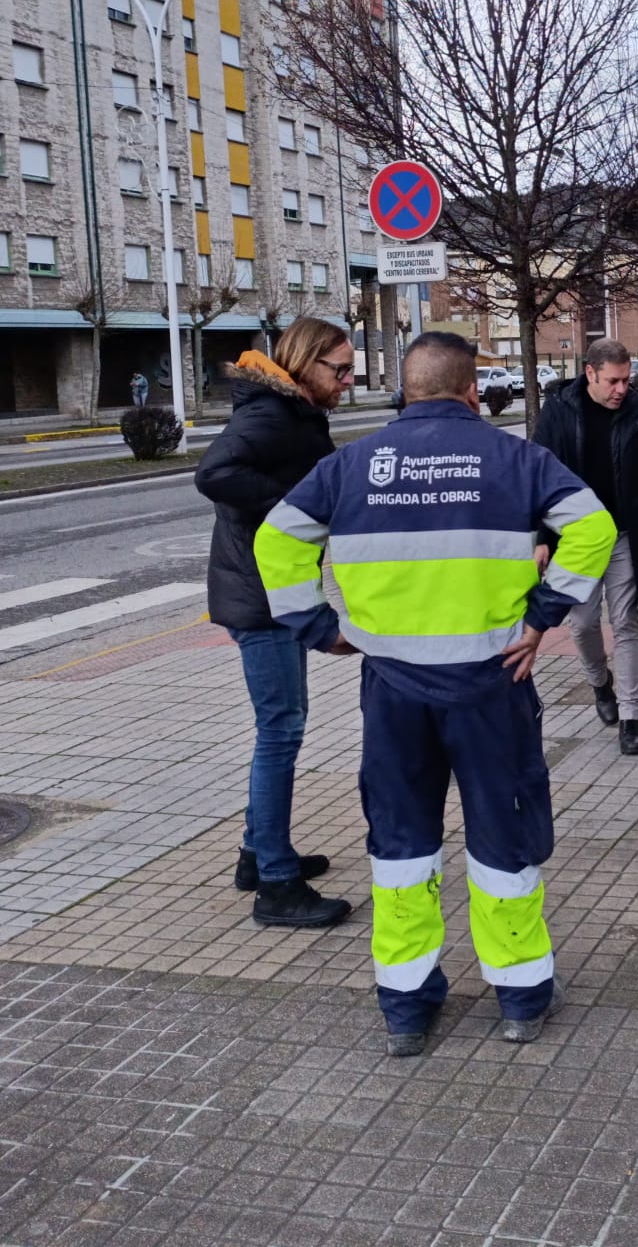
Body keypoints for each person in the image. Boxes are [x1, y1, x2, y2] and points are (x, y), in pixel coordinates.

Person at [256, 331, 616, 1055]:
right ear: (472, 389)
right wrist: (543, 613)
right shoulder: (516, 458)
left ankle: (406, 1007)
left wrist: (319, 626)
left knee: (400, 848)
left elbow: (276, 538)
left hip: (391, 690)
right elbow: (593, 525)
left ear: (405, 389)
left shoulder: (351, 466)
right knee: (502, 840)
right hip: (492, 684)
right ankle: (519, 996)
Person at [195, 319, 355, 930]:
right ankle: (277, 888)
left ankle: (257, 854)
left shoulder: (292, 410)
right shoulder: (270, 414)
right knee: (281, 731)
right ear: (307, 362)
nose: (347, 380)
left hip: (268, 589)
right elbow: (214, 474)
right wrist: (293, 506)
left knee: (280, 728)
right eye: (338, 369)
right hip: (260, 598)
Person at [531, 338, 638, 757]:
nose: (621, 389)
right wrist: (540, 539)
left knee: (626, 622)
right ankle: (599, 682)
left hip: (624, 535)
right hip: (575, 541)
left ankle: (631, 718)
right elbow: (537, 478)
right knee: (582, 624)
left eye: (627, 380)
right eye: (613, 381)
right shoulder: (558, 412)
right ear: (589, 374)